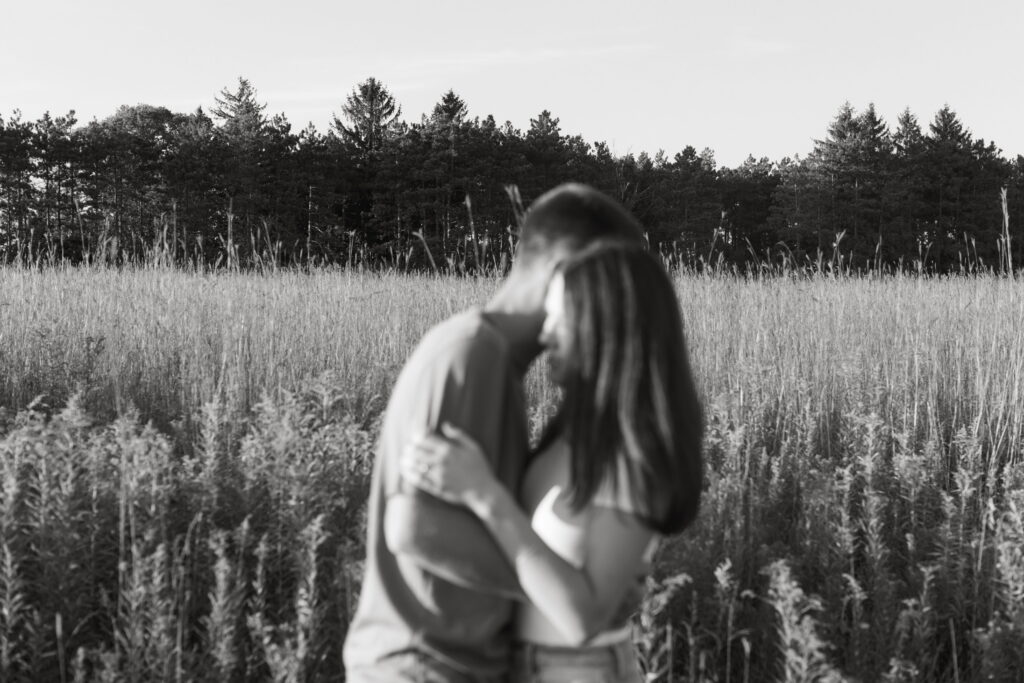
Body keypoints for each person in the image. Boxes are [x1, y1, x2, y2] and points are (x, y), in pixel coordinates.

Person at [343, 184, 646, 682]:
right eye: (608, 285)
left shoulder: (494, 361)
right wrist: (579, 594)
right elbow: (414, 527)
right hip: (424, 666)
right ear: (563, 273)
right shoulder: (472, 354)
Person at [401, 244, 703, 683]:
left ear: (607, 325)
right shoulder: (568, 437)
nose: (546, 333)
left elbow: (581, 618)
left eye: (562, 317)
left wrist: (484, 494)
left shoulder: (633, 450)